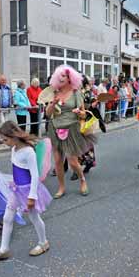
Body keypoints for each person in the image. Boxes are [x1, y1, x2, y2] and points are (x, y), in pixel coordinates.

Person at [0, 121, 52, 262]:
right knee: (7, 218)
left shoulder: (28, 152)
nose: (4, 142)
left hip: (28, 191)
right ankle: (4, 249)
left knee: (34, 217)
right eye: (2, 140)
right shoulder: (14, 149)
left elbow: (34, 175)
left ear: (14, 136)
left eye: (6, 139)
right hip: (16, 190)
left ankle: (43, 242)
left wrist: (32, 196)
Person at [45, 65, 95, 198]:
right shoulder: (54, 92)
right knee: (57, 161)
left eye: (64, 76)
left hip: (71, 128)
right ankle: (61, 187)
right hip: (55, 128)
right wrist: (52, 104)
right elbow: (48, 114)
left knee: (72, 161)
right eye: (59, 76)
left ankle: (82, 180)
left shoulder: (76, 92)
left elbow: (84, 114)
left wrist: (79, 112)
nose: (61, 78)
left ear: (70, 78)